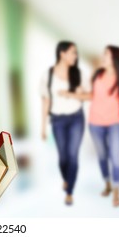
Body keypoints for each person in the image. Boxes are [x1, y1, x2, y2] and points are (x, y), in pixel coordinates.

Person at [40, 41, 89, 206]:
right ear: (62, 53)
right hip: (58, 120)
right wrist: (43, 126)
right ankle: (66, 178)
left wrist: (71, 94)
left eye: (76, 53)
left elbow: (88, 96)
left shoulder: (78, 74)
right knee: (63, 157)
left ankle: (69, 192)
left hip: (76, 118)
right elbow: (46, 100)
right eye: (72, 53)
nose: (75, 56)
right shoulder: (48, 75)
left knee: (73, 155)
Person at [88, 45, 119, 207]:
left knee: (115, 156)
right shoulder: (97, 75)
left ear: (115, 57)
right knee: (101, 156)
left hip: (116, 122)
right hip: (95, 122)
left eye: (106, 54)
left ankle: (116, 191)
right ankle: (107, 183)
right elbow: (91, 95)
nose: (103, 56)